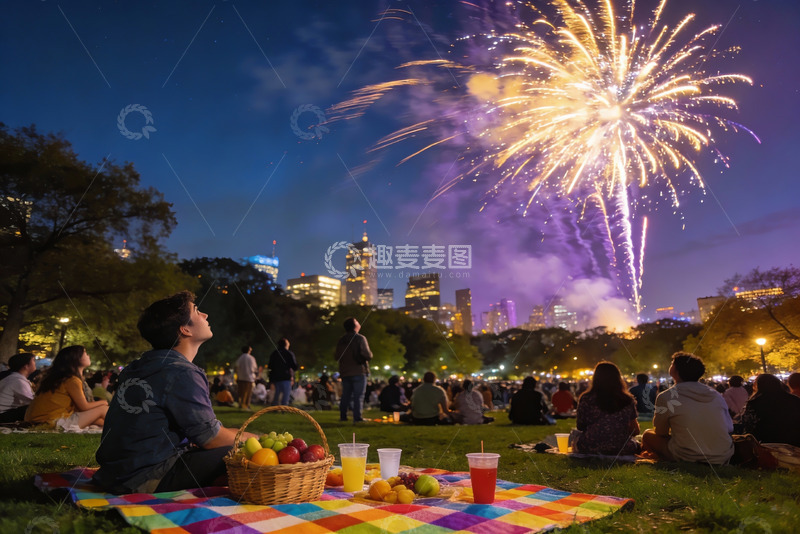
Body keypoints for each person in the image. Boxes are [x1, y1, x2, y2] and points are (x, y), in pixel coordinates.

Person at [93, 291, 256, 494]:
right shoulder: (181, 372)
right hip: (146, 478)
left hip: (113, 475)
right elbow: (210, 439)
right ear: (185, 329)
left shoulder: (140, 366)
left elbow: (201, 430)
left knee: (237, 440)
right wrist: (252, 440)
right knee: (243, 452)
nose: (205, 315)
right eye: (197, 311)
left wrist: (241, 434)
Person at [641, 352, 733, 464]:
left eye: (672, 363)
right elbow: (729, 428)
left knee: (647, 435)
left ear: (675, 371)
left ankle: (657, 457)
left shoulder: (666, 396)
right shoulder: (716, 395)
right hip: (722, 455)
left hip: (686, 454)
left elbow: (660, 431)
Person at [25, 346, 108, 429]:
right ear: (76, 358)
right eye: (85, 353)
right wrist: (103, 402)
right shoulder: (72, 380)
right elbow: (84, 407)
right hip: (51, 421)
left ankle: (116, 428)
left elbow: (80, 411)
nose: (88, 355)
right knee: (103, 409)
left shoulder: (60, 378)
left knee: (102, 419)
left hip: (40, 419)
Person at [573, 362, 640, 455]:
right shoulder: (627, 399)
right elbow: (635, 430)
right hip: (622, 448)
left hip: (590, 446)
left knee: (574, 440)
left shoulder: (586, 398)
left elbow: (580, 426)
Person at [741, 374, 800, 447]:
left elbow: (748, 425)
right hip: (794, 443)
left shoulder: (754, 403)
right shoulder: (794, 400)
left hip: (767, 445)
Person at [336, 317, 373, 423]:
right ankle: (357, 417)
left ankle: (343, 416)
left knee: (345, 395)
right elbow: (367, 355)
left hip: (345, 372)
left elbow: (337, 356)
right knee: (359, 395)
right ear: (355, 326)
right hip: (358, 371)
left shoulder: (341, 340)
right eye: (357, 322)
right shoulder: (360, 338)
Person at [0, 353, 36, 423]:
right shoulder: (18, 381)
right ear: (25, 366)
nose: (35, 363)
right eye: (33, 361)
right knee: (33, 408)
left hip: (4, 413)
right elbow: (33, 402)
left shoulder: (12, 377)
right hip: (2, 415)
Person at [267, 338, 298, 406]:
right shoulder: (289, 353)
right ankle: (283, 408)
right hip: (285, 377)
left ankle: (275, 407)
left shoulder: (274, 353)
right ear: (286, 344)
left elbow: (270, 366)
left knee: (276, 394)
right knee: (286, 394)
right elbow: (294, 366)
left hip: (275, 377)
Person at [235, 345, 257, 411]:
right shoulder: (251, 358)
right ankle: (246, 405)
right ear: (249, 350)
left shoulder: (240, 358)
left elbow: (236, 367)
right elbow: (255, 368)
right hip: (249, 378)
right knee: (248, 393)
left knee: (241, 392)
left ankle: (241, 404)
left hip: (241, 377)